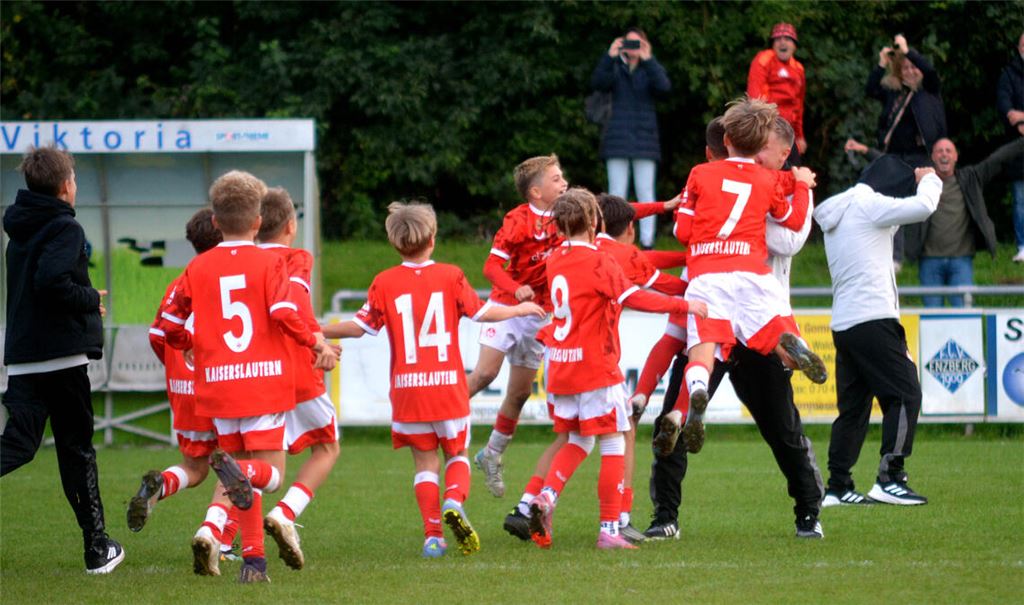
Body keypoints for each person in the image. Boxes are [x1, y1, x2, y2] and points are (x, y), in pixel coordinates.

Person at [323, 202, 545, 558]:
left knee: (425, 463)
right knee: (456, 453)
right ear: (433, 237)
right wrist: (518, 309)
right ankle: (454, 502)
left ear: (395, 243)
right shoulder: (450, 275)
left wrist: (318, 328)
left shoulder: (384, 281)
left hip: (408, 391)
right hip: (447, 386)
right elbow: (482, 311)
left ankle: (433, 537)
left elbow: (360, 327)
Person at [643, 116, 825, 541]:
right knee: (680, 415)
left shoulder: (707, 180)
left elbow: (788, 242)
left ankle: (807, 511)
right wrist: (795, 186)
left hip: (714, 300)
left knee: (776, 425)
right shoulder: (769, 181)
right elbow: (791, 230)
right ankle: (665, 515)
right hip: (758, 303)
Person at [155, 170, 338, 582]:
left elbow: (168, 325)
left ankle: (254, 562)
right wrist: (317, 344)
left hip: (218, 386)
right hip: (261, 381)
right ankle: (244, 489)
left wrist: (193, 341)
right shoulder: (271, 262)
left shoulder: (198, 267)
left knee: (242, 478)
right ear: (258, 221)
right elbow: (284, 313)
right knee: (268, 476)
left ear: (216, 222)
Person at [526, 188, 705, 551]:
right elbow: (634, 296)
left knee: (578, 440)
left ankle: (545, 497)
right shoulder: (600, 262)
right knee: (613, 442)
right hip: (595, 367)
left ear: (559, 225)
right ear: (594, 222)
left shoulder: (555, 258)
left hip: (560, 367)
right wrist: (684, 305)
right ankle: (610, 528)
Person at [670, 98, 825, 458]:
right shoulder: (767, 178)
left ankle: (697, 390)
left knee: (703, 345)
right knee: (777, 339)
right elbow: (793, 219)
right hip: (755, 275)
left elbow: (682, 231)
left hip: (708, 275)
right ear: (760, 146)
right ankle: (793, 349)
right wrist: (801, 186)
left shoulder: (700, 173)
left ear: (725, 142)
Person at [0, 145, 125, 574]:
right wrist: (89, 298)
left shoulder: (20, 227)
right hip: (61, 359)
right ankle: (97, 549)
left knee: (18, 445)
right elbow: (51, 282)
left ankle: (98, 546)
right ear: (65, 186)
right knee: (76, 452)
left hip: (23, 360)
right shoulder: (64, 228)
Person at [814, 156, 941, 507]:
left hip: (845, 323)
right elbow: (924, 206)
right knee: (906, 394)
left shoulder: (842, 211)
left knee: (853, 410)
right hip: (874, 318)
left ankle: (838, 486)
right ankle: (890, 477)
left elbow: (888, 227)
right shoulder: (870, 205)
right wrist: (929, 179)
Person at [468, 155, 565, 500]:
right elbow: (492, 267)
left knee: (520, 394)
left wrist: (662, 206)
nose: (564, 183)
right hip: (507, 307)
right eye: (556, 179)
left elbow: (616, 213)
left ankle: (491, 454)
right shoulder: (517, 220)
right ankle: (439, 415)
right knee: (484, 375)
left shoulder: (569, 214)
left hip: (539, 313)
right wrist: (515, 289)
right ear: (536, 191)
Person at [257, 187, 342, 570]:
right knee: (327, 447)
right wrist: (318, 343)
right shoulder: (296, 258)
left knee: (254, 462)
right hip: (294, 368)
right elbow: (293, 306)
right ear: (291, 225)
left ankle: (218, 532)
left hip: (252, 375)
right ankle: (286, 513)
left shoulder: (240, 260)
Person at [128, 208, 224, 535]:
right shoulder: (224, 279)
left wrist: (175, 368)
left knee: (195, 469)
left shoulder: (178, 284)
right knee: (242, 464)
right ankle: (217, 537)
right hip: (220, 386)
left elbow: (158, 335)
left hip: (183, 390)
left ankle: (161, 484)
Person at [905, 137, 1024, 307]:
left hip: (961, 261)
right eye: (939, 151)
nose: (944, 154)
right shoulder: (921, 182)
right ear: (932, 157)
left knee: (963, 316)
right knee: (931, 317)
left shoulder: (970, 178)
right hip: (929, 260)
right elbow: (893, 169)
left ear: (956, 157)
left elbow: (998, 158)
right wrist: (866, 151)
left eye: (948, 151)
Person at [591, 27, 672, 249]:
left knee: (646, 193)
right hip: (616, 138)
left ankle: (647, 242)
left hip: (644, 140)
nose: (633, 49)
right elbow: (597, 83)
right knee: (616, 193)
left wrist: (649, 59)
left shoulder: (648, 70)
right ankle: (614, 239)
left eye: (638, 44)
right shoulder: (615, 67)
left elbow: (664, 87)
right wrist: (609, 57)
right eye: (630, 43)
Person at [747, 22, 807, 164]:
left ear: (794, 45)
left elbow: (798, 104)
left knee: (794, 171)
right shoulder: (765, 59)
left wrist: (799, 136)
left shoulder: (798, 68)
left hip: (788, 131)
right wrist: (762, 129)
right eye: (778, 39)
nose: (782, 42)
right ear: (773, 44)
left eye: (787, 39)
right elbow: (755, 97)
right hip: (768, 125)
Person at [996, 31, 1024, 262]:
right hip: (1018, 148)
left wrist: (1021, 116)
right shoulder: (1008, 74)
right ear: (1018, 47)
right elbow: (1006, 107)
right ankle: (1023, 246)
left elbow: (1017, 115)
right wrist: (1016, 118)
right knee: (1020, 199)